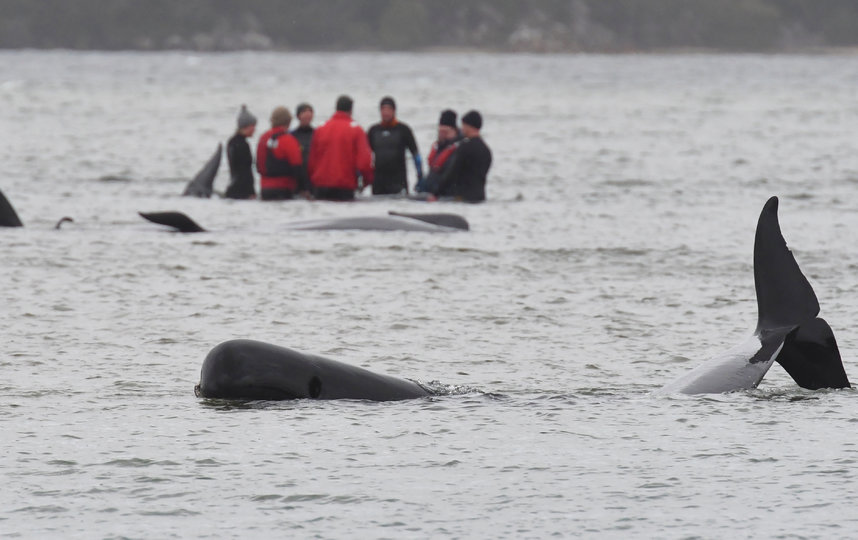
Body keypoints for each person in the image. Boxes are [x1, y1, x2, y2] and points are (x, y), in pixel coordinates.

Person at [307, 95, 374, 201]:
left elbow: (311, 162)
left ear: (336, 108)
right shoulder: (356, 130)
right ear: (351, 110)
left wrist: (313, 181)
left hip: (320, 186)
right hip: (344, 186)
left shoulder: (320, 129)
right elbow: (364, 163)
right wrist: (367, 181)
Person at [431, 110, 491, 203]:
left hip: (462, 197)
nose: (462, 129)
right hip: (480, 196)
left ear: (469, 126)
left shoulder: (464, 147)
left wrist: (436, 194)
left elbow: (451, 172)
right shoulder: (486, 150)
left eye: (463, 125)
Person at [367, 96, 422, 195]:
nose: (386, 112)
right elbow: (364, 156)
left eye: (389, 109)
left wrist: (420, 177)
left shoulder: (403, 130)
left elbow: (415, 154)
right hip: (379, 183)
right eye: (383, 109)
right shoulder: (373, 131)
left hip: (398, 182)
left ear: (394, 111)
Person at [255, 106, 309, 200]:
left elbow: (259, 163)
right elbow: (297, 166)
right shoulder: (288, 140)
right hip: (284, 188)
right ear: (288, 121)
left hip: (264, 188)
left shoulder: (263, 138)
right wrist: (304, 188)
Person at [417, 109, 461, 195]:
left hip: (446, 193)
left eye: (445, 132)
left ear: (454, 131)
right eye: (440, 131)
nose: (442, 135)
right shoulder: (438, 147)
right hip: (430, 191)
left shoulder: (459, 149)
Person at [225, 104, 257, 200]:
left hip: (232, 187)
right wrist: (251, 192)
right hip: (242, 191)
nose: (255, 129)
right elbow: (245, 171)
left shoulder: (231, 142)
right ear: (246, 126)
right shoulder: (243, 145)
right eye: (253, 126)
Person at [291, 102, 314, 178]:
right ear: (298, 116)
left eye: (310, 112)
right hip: (296, 174)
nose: (308, 114)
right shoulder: (292, 135)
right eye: (304, 112)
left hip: (312, 174)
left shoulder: (317, 134)